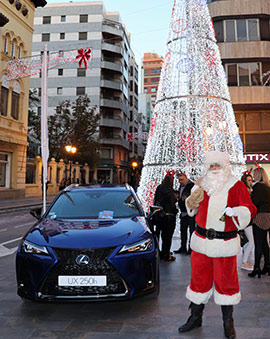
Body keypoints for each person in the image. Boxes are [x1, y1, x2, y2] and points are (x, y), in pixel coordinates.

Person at [178, 151, 256, 339]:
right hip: (201, 243)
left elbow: (249, 209)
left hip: (224, 244)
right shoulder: (202, 184)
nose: (213, 169)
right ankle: (195, 317)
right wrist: (191, 202)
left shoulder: (236, 185)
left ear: (224, 166)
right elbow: (190, 207)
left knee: (226, 283)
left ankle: (228, 323)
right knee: (198, 281)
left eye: (217, 165)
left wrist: (236, 211)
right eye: (211, 166)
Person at [248, 167, 270, 278]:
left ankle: (256, 267)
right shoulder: (267, 187)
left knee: (258, 243)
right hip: (268, 216)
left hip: (259, 216)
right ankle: (267, 265)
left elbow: (254, 203)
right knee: (265, 243)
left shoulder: (257, 187)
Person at [154, 172, 178, 261]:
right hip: (168, 217)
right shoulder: (169, 191)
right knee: (167, 237)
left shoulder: (159, 188)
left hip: (159, 217)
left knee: (158, 235)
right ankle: (166, 254)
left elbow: (156, 200)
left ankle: (158, 252)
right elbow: (171, 205)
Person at [174, 172, 195, 255]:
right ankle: (183, 247)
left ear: (186, 178)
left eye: (182, 180)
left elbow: (194, 197)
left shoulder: (192, 186)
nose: (180, 182)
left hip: (190, 212)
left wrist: (187, 199)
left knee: (191, 231)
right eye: (179, 180)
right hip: (183, 212)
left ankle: (191, 248)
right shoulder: (181, 187)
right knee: (183, 231)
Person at [240, 172, 255, 271]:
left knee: (248, 241)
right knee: (251, 241)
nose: (250, 182)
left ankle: (245, 260)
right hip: (246, 218)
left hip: (248, 218)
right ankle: (244, 261)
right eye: (248, 180)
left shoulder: (250, 190)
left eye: (251, 180)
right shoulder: (244, 191)